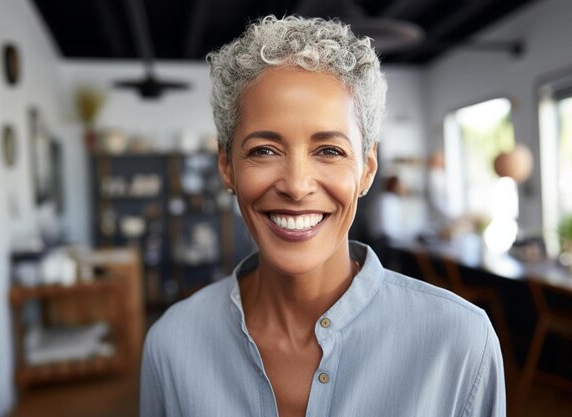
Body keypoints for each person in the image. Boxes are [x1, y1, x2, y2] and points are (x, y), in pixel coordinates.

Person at [140, 15, 505, 417]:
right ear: (227, 167)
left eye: (329, 151)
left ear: (366, 169)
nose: (296, 186)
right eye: (264, 150)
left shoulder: (460, 342)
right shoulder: (172, 345)